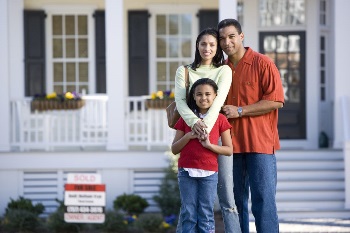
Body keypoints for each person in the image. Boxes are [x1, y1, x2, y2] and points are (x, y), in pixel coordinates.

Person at [218, 18, 285, 233]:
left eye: (231, 36)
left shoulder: (262, 63)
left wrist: (240, 110)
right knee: (236, 204)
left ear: (241, 36)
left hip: (260, 145)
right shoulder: (221, 71)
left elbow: (276, 100)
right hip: (231, 147)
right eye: (222, 38)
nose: (227, 42)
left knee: (264, 202)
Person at [175, 28, 242, 233]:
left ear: (217, 47)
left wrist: (204, 127)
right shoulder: (184, 71)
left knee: (227, 199)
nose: (207, 48)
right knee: (188, 207)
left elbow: (218, 102)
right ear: (197, 46)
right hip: (191, 135)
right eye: (203, 44)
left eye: (212, 44)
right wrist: (195, 123)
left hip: (215, 136)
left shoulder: (224, 70)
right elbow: (180, 101)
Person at [172, 78, 233, 233]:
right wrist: (188, 136)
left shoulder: (220, 119)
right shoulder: (186, 118)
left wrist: (209, 146)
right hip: (186, 172)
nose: (203, 98)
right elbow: (174, 149)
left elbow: (228, 150)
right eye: (199, 94)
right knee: (189, 213)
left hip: (209, 173)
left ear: (215, 96)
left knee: (205, 214)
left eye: (208, 94)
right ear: (193, 96)